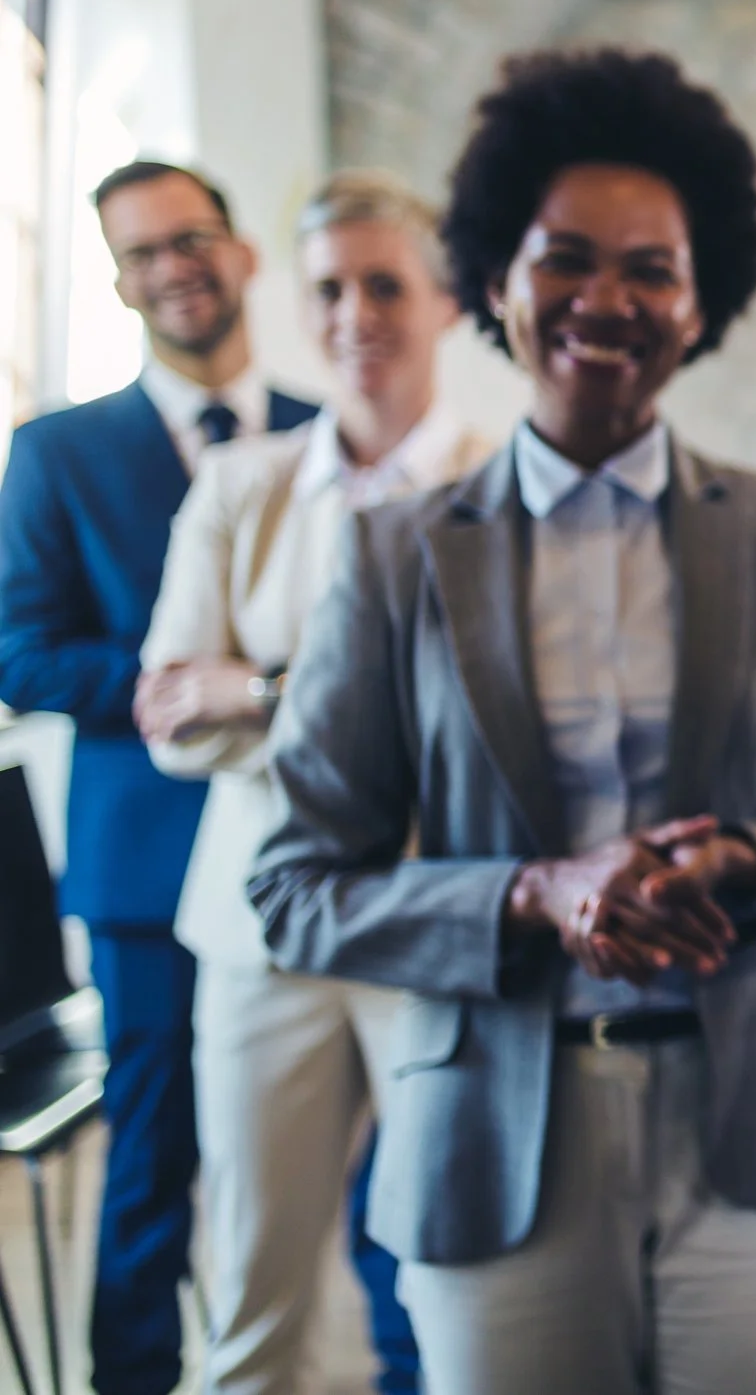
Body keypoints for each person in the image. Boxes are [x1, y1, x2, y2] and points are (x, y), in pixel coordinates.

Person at [248, 50, 756, 1394]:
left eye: (652, 269)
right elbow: (294, 888)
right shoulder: (396, 556)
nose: (607, 299)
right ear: (494, 281)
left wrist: (752, 862)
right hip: (491, 1138)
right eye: (565, 258)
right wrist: (531, 891)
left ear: (703, 299)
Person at [138, 169, 494, 1395]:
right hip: (256, 935)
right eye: (330, 288)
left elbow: (485, 736)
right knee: (250, 1292)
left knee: (459, 1279)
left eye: (385, 284)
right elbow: (171, 719)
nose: (355, 314)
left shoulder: (504, 486)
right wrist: (346, 701)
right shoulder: (240, 486)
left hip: (432, 927)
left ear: (448, 300)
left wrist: (256, 688)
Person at [0, 162, 317, 1395]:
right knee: (152, 1157)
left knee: (354, 1152)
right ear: (122, 283)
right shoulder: (58, 450)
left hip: (308, 848)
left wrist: (272, 689)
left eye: (191, 238)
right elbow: (20, 653)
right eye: (142, 253)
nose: (174, 267)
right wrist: (189, 681)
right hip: (145, 867)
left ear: (239, 251)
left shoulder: (325, 430)